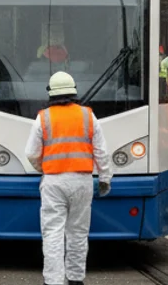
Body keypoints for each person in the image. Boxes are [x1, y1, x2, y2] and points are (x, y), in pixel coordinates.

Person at [25, 71, 111, 285]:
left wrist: (42, 167)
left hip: (53, 181)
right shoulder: (87, 116)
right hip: (82, 181)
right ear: (73, 92)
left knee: (53, 232)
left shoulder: (43, 117)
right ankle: (75, 278)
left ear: (51, 94)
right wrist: (105, 178)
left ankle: (53, 281)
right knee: (78, 232)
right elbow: (101, 151)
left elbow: (31, 153)